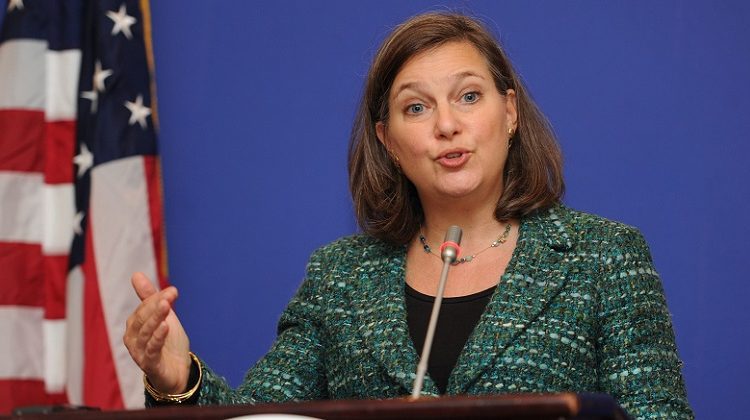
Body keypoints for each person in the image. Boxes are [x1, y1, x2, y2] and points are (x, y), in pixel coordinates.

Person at [123, 12, 693, 419]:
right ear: (389, 141)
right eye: (416, 107)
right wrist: (179, 379)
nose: (446, 125)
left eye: (469, 96)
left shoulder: (603, 256)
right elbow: (262, 418)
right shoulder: (339, 277)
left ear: (510, 113)